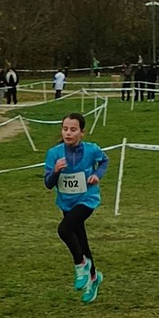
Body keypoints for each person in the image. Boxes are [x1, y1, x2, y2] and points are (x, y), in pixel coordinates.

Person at [42, 112, 108, 302]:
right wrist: (55, 171)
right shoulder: (54, 154)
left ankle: (80, 265)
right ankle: (93, 278)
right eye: (65, 129)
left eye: (73, 129)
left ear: (82, 132)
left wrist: (97, 175)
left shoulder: (91, 150)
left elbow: (104, 160)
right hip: (66, 202)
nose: (68, 133)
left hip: (87, 199)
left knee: (64, 229)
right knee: (80, 240)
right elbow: (48, 183)